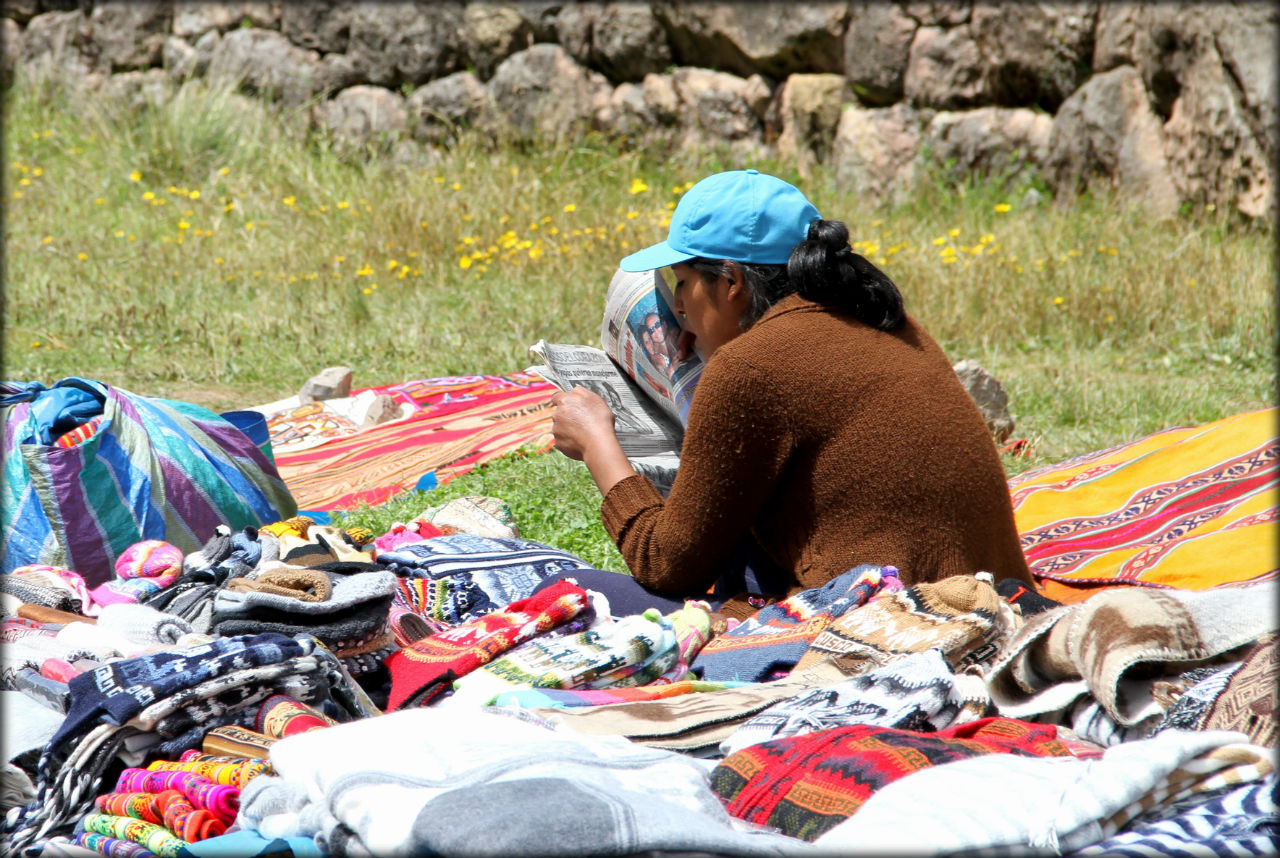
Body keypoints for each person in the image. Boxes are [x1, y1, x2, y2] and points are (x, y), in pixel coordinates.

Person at [546, 169, 1035, 619]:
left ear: (732, 281)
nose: (677, 303)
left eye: (684, 281)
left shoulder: (750, 367)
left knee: (571, 589)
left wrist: (597, 444)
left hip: (898, 620)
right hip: (999, 600)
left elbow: (665, 565)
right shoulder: (889, 322)